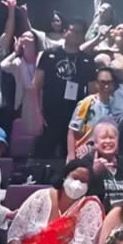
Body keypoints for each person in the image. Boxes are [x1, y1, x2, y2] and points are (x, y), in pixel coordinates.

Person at [7, 160, 105, 244]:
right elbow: (15, 233)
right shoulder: (40, 197)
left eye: (84, 181)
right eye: (75, 178)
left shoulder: (90, 206)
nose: (78, 184)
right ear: (65, 177)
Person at [36, 20, 98, 158]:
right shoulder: (49, 54)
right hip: (49, 112)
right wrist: (37, 112)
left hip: (75, 114)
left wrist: (89, 119)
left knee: (70, 153)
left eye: (79, 32)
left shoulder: (87, 60)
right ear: (64, 32)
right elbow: (36, 85)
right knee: (44, 152)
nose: (76, 34)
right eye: (73, 30)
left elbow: (92, 93)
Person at [75, 119, 123, 209]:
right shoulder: (85, 163)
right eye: (103, 138)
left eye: (111, 138)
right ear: (95, 143)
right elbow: (76, 194)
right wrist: (94, 172)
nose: (108, 141)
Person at [68, 67, 117, 161]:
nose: (106, 86)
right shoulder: (86, 103)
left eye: (109, 82)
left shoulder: (118, 104)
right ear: (96, 84)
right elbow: (72, 131)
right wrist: (71, 156)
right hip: (85, 152)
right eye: (102, 82)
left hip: (109, 152)